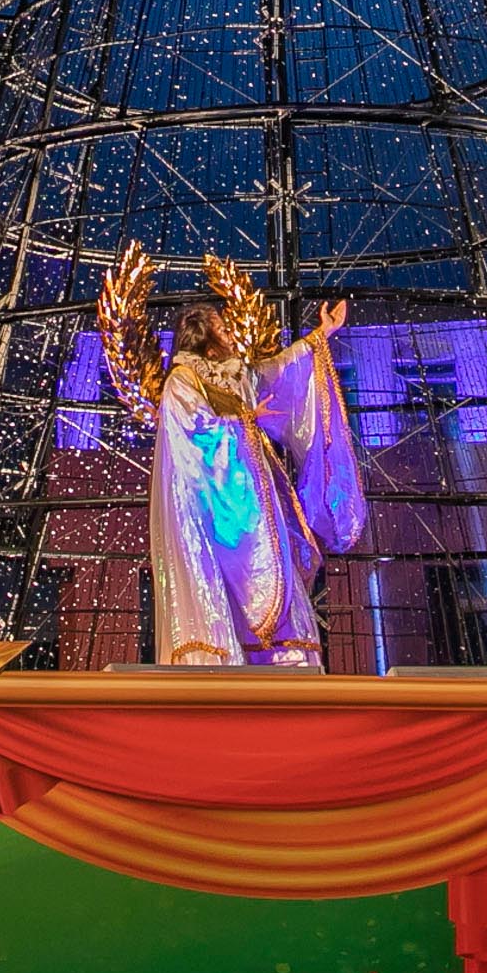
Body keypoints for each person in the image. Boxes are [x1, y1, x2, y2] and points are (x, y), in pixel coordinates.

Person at [96, 242, 366, 666]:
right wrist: (244, 421)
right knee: (225, 576)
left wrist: (322, 335)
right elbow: (194, 433)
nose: (228, 332)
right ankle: (223, 656)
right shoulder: (182, 380)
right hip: (215, 503)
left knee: (280, 568)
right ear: (203, 335)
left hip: (257, 496)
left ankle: (284, 657)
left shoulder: (238, 373)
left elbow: (279, 368)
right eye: (221, 327)